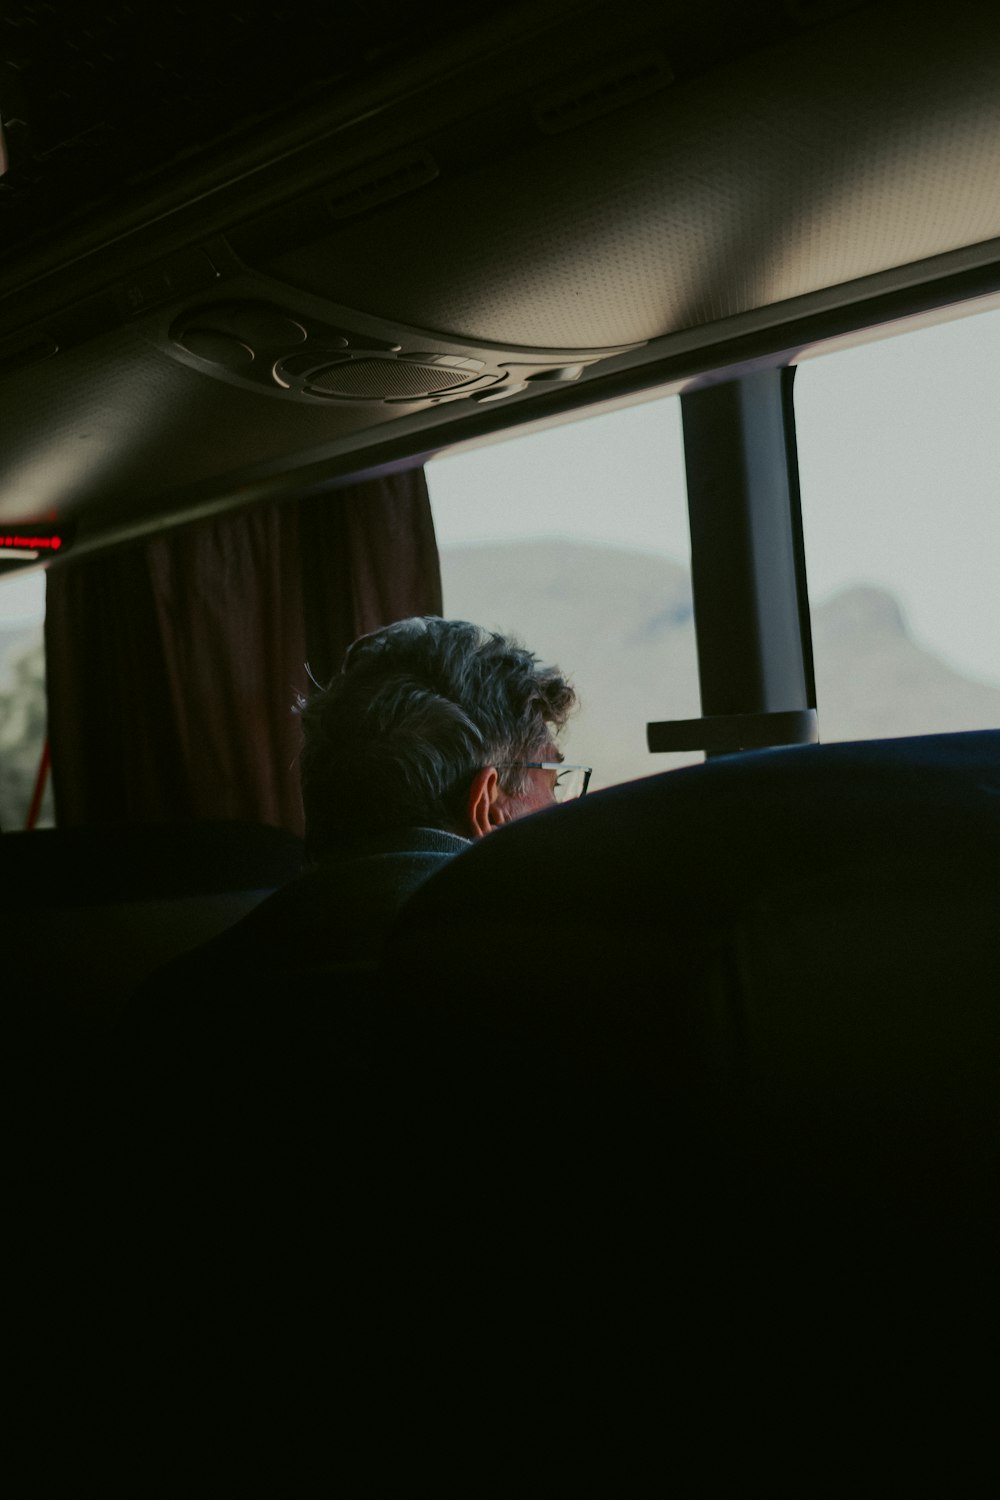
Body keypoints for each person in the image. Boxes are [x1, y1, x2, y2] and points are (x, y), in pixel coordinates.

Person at [133, 615, 581, 990]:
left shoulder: (176, 994)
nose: (562, 809)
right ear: (486, 805)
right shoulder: (544, 976)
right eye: (554, 784)